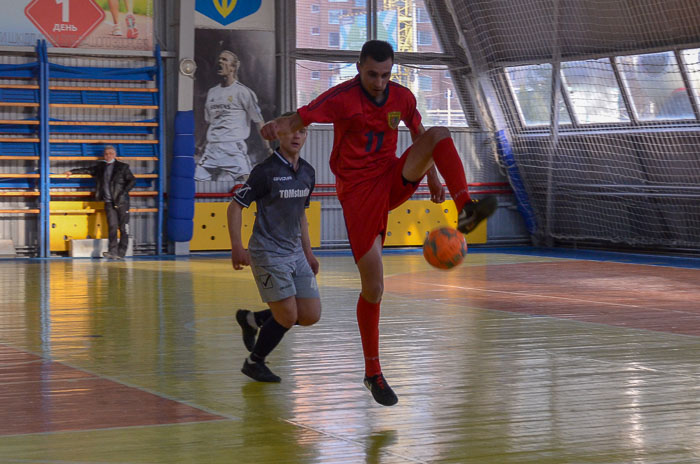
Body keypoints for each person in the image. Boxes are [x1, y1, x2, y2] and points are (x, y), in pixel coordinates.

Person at [260, 40, 497, 406]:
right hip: (356, 194)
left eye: (386, 75)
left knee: (438, 134)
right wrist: (278, 125)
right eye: (372, 74)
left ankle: (466, 206)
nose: (379, 82)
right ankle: (373, 372)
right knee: (375, 288)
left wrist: (432, 177)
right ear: (359, 67)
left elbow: (419, 134)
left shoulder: (401, 97)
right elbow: (301, 118)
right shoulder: (341, 98)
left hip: (389, 177)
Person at [229, 115, 320, 383]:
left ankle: (251, 320)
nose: (296, 136)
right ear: (278, 134)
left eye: (302, 131)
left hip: (295, 253)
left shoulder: (307, 172)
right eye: (291, 131)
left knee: (310, 315)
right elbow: (235, 206)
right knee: (288, 315)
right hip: (268, 252)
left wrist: (309, 252)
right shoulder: (265, 171)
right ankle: (254, 362)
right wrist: (237, 246)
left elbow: (300, 216)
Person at [196, 50, 272, 183]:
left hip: (233, 147)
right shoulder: (212, 92)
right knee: (197, 180)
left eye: (225, 60)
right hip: (212, 148)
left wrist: (267, 148)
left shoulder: (243, 92)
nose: (220, 62)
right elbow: (209, 123)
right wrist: (201, 145)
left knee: (247, 184)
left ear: (233, 67)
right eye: (219, 59)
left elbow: (259, 122)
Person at [64, 145, 136, 260]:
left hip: (122, 202)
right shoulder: (100, 167)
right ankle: (112, 251)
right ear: (104, 155)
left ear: (115, 154)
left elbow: (132, 180)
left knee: (123, 227)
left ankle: (121, 252)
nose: (109, 155)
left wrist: (123, 192)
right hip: (108, 202)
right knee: (112, 227)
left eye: (111, 153)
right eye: (106, 154)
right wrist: (72, 172)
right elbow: (87, 170)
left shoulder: (123, 167)